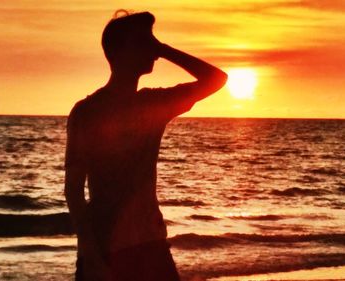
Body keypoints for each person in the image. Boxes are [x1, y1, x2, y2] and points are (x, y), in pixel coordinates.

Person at [64, 10, 227, 281]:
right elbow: (73, 189)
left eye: (153, 41)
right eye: (144, 41)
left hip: (150, 244)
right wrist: (90, 253)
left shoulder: (154, 104)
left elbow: (216, 79)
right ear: (120, 50)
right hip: (106, 248)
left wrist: (164, 49)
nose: (153, 48)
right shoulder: (88, 111)